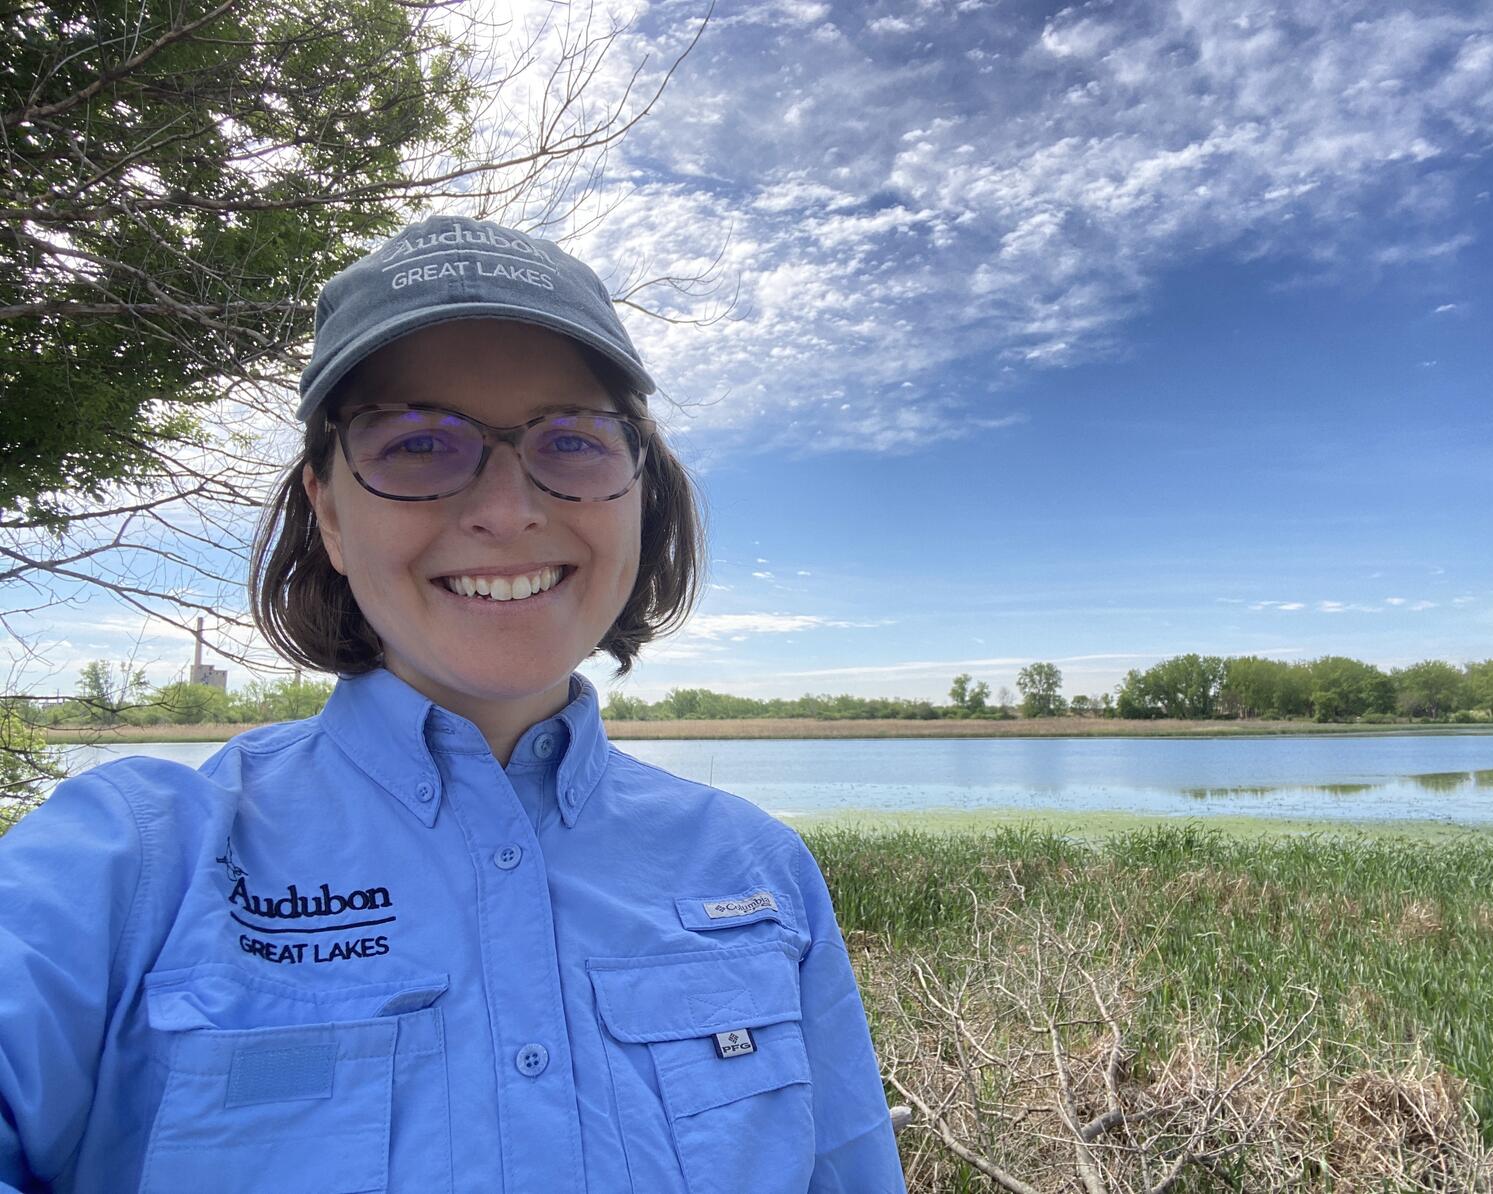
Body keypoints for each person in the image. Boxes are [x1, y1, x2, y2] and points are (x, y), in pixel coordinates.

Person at [0, 213, 909, 1193]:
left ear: (640, 494)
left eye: (572, 439)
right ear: (329, 515)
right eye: (419, 445)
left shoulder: (758, 867)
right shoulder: (126, 869)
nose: (507, 508)